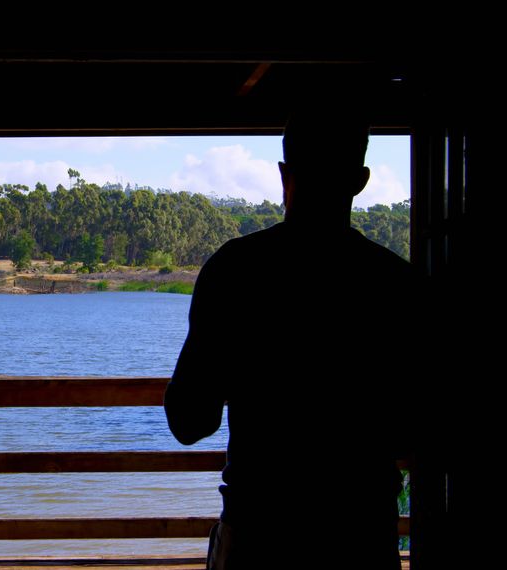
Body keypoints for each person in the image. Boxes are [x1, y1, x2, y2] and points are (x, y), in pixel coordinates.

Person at [165, 108, 418, 569]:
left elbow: (189, 421)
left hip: (259, 533)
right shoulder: (394, 281)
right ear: (360, 180)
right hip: (360, 535)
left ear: (284, 173)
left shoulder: (235, 270)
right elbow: (415, 430)